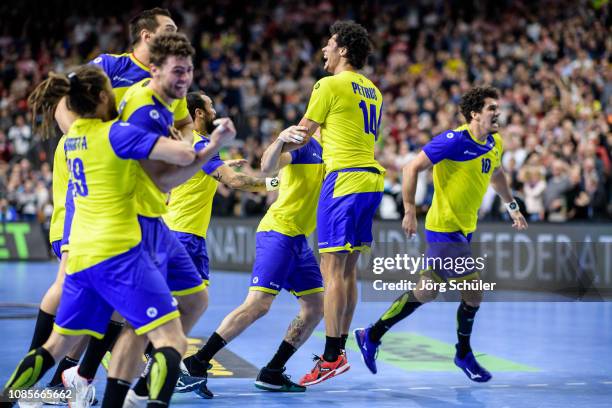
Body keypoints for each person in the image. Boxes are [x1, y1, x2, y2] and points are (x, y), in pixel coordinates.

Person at [1, 64, 233, 408]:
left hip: (82, 255)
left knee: (55, 348)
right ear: (100, 96)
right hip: (120, 252)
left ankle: (10, 397)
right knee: (171, 340)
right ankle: (137, 398)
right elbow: (183, 154)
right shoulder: (117, 134)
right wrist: (213, 142)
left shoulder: (74, 135)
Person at [27, 8, 188, 397]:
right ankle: (39, 385)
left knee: (119, 301)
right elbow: (65, 100)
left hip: (133, 199)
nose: (175, 35)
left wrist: (184, 142)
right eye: (168, 29)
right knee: (67, 280)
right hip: (93, 188)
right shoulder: (109, 68)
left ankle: (75, 378)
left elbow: (180, 128)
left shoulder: (165, 84)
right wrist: (93, 141)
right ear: (146, 36)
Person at [354, 86, 528, 383]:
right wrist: (409, 209)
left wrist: (511, 205)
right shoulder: (453, 140)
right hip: (444, 228)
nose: (498, 113)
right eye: (491, 108)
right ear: (475, 114)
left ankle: (371, 334)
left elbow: (496, 173)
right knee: (473, 292)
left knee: (426, 291)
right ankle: (463, 353)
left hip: (464, 229)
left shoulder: (494, 142)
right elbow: (411, 168)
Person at [124, 91, 279, 402]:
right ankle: (144, 376)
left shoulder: (196, 145)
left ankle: (150, 376)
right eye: (210, 107)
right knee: (185, 307)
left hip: (183, 234)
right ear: (197, 113)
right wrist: (277, 182)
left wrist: (225, 163)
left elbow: (204, 171)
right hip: (182, 236)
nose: (214, 111)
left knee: (184, 307)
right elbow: (236, 183)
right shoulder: (199, 143)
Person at [181, 123, 325, 394]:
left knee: (315, 307)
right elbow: (269, 166)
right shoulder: (306, 145)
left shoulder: (337, 155)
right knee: (258, 305)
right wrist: (280, 141)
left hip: (299, 240)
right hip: (279, 232)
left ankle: (272, 372)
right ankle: (197, 363)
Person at [284, 21, 385, 386]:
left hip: (342, 180)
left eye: (328, 44)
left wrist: (274, 150)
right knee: (348, 270)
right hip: (370, 180)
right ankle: (338, 349)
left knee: (331, 269)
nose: (323, 50)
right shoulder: (373, 90)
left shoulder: (329, 84)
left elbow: (301, 134)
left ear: (342, 49)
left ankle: (330, 356)